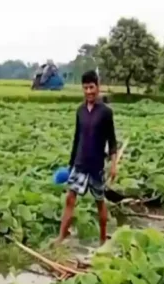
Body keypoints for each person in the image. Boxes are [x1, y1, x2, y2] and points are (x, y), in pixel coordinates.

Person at [56, 70, 119, 246]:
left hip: (96, 165)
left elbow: (112, 140)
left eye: (91, 87)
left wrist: (114, 165)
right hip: (80, 163)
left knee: (99, 202)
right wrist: (71, 164)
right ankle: (61, 236)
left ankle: (102, 239)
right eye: (85, 88)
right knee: (70, 198)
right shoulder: (80, 111)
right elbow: (77, 139)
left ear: (98, 87)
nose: (89, 91)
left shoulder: (106, 112)